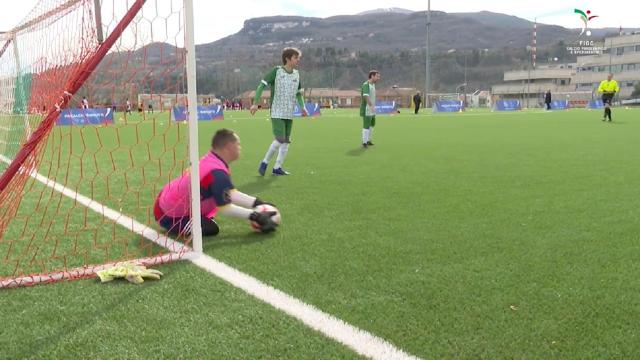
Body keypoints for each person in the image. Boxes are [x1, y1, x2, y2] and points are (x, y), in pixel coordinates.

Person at [154, 129, 279, 236]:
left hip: (165, 200)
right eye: (238, 145)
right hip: (169, 215)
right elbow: (225, 209)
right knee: (211, 229)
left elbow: (229, 193)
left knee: (208, 220)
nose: (240, 148)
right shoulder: (216, 172)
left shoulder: (212, 160)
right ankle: (175, 224)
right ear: (229, 147)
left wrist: (258, 203)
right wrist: (256, 216)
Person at [250, 47, 308, 176]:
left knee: (286, 140)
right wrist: (255, 103)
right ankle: (264, 162)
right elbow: (261, 85)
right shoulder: (276, 71)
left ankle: (277, 167)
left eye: (298, 58)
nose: (298, 60)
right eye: (296, 58)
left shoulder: (296, 74)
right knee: (280, 139)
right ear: (287, 59)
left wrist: (302, 107)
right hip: (277, 111)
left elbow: (298, 94)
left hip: (289, 112)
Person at [360, 70, 381, 148]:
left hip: (372, 108)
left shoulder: (373, 85)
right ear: (372, 76)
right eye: (377, 76)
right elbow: (366, 96)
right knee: (366, 125)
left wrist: (373, 107)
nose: (378, 78)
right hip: (367, 109)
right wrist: (371, 106)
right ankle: (364, 142)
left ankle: (368, 140)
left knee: (372, 124)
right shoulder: (366, 85)